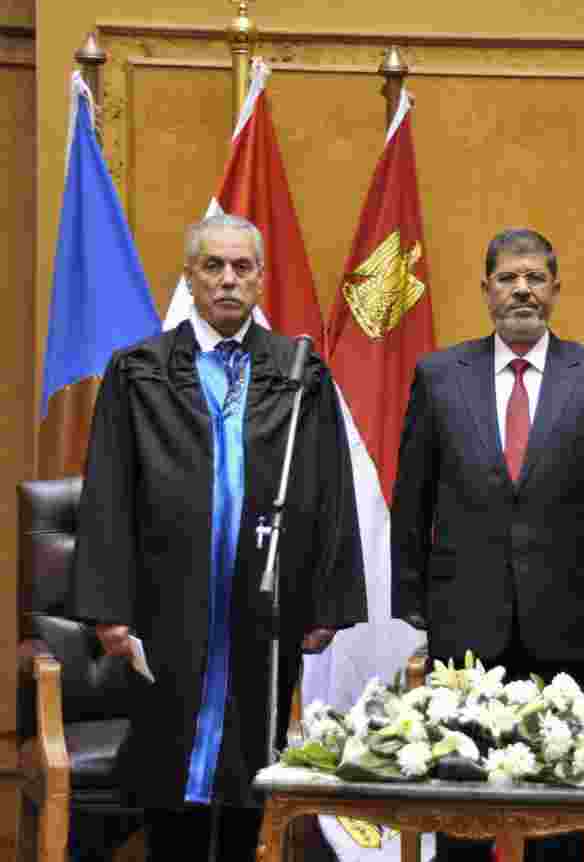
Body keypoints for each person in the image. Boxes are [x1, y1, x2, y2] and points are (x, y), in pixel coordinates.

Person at [69, 214, 367, 861]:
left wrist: (327, 603)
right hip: (165, 602)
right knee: (168, 768)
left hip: (265, 605)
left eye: (242, 267)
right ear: (191, 277)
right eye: (213, 266)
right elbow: (109, 491)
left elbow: (329, 488)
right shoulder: (139, 370)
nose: (228, 280)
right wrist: (108, 608)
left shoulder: (298, 371)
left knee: (251, 766)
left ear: (261, 278)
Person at [391, 227, 584, 862]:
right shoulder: (440, 376)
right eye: (508, 278)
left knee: (557, 808)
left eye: (535, 277)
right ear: (486, 290)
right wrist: (412, 596)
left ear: (556, 288)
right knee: (461, 807)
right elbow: (413, 494)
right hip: (463, 623)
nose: (522, 290)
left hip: (568, 624)